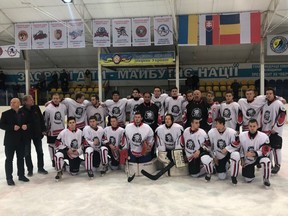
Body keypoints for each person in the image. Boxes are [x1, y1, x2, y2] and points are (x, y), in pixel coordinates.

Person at [0, 98, 30, 186]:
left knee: (21, 158)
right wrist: (12, 127)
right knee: (9, 159)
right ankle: (9, 178)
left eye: (14, 102)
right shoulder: (5, 114)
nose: (12, 103)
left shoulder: (24, 113)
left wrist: (27, 126)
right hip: (10, 141)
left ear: (19, 103)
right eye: (11, 102)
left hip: (21, 140)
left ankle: (21, 175)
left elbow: (30, 123)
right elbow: (1, 125)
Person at [208, 117, 240, 185]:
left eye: (217, 124)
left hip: (228, 154)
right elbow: (210, 146)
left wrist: (227, 148)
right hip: (218, 154)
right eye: (215, 123)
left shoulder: (231, 132)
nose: (215, 125)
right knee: (221, 177)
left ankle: (233, 175)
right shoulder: (211, 132)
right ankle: (224, 165)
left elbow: (237, 144)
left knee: (236, 155)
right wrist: (214, 157)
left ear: (222, 124)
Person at [239, 119, 271, 187]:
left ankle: (266, 178)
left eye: (254, 126)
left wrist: (255, 153)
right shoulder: (242, 135)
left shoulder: (263, 136)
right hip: (247, 159)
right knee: (248, 179)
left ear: (257, 126)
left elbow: (266, 150)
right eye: (250, 126)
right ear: (248, 126)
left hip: (259, 157)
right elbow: (240, 148)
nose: (252, 128)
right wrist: (242, 159)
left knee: (266, 160)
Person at [261, 87, 286, 174]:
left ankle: (277, 165)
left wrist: (276, 128)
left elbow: (282, 116)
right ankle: (270, 163)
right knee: (269, 148)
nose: (268, 95)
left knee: (276, 149)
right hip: (265, 130)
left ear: (274, 94)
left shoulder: (279, 103)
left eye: (270, 93)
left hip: (275, 131)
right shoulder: (265, 103)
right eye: (267, 93)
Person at [22, 95, 48, 176]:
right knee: (27, 153)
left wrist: (43, 130)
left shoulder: (36, 108)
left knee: (40, 151)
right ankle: (30, 169)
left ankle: (41, 168)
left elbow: (41, 119)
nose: (33, 100)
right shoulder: (21, 111)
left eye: (32, 99)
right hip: (27, 135)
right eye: (31, 100)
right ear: (25, 102)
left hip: (37, 134)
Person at [54, 117, 84, 181]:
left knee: (74, 173)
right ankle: (59, 171)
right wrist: (67, 149)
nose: (72, 124)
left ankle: (66, 165)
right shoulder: (63, 132)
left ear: (76, 123)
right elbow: (57, 142)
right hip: (65, 151)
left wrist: (79, 151)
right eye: (70, 123)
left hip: (75, 153)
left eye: (73, 122)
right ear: (67, 124)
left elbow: (84, 143)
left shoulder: (80, 132)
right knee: (58, 155)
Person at [44, 93, 67, 167]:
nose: (56, 100)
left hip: (62, 131)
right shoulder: (48, 108)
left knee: (62, 145)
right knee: (52, 146)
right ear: (52, 99)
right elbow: (45, 120)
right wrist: (45, 130)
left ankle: (60, 159)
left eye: (57, 98)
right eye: (54, 98)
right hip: (52, 131)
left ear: (59, 99)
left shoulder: (63, 106)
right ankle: (53, 160)